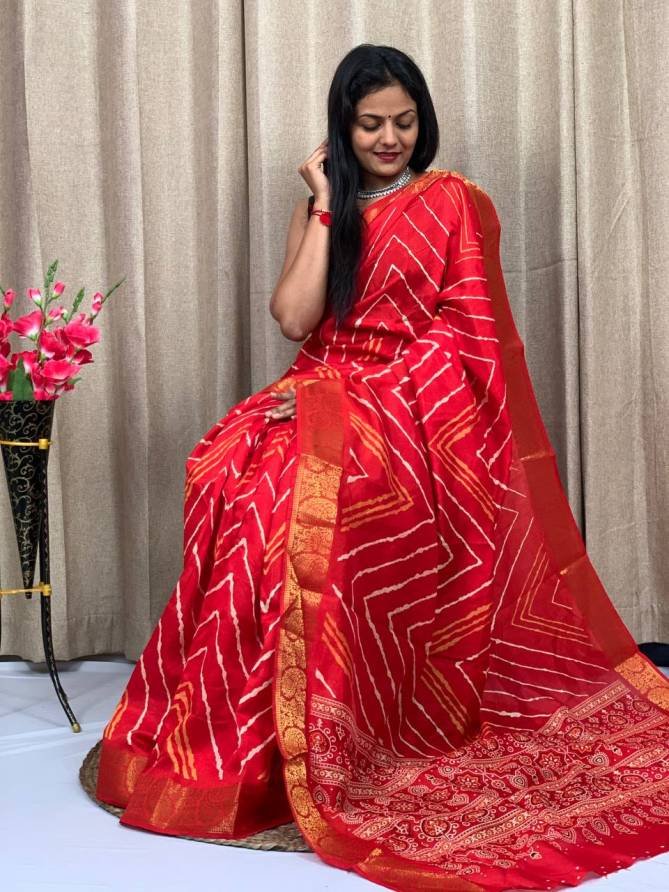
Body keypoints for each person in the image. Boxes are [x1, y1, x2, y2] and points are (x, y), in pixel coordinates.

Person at [95, 44, 669, 891]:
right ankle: (252, 741)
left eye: (403, 121)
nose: (389, 139)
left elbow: (465, 336)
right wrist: (327, 206)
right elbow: (295, 320)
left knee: (298, 498)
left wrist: (365, 394)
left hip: (409, 404)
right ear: (343, 127)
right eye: (370, 125)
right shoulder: (321, 209)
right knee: (231, 471)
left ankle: (336, 730)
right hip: (320, 388)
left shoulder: (453, 203)